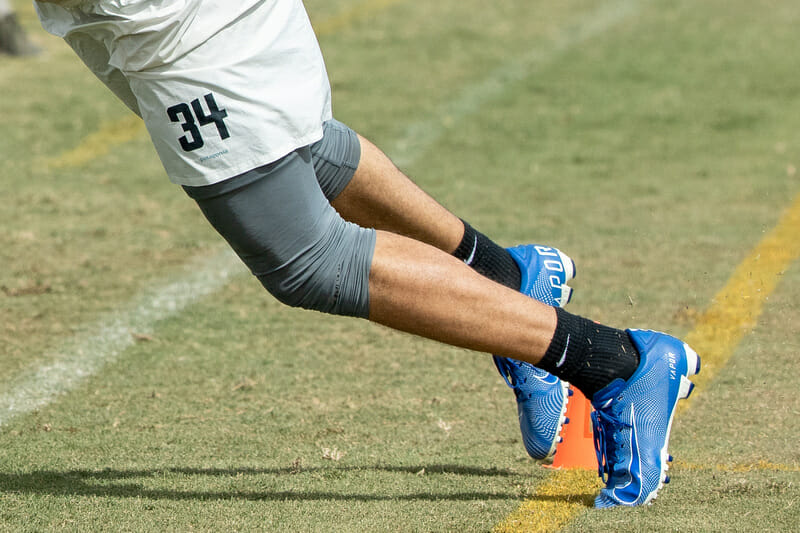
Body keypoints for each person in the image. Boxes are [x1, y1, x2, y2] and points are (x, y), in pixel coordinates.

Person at [34, 0, 700, 509]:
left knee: (305, 256)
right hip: (169, 18)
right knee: (293, 148)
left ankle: (615, 362)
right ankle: (508, 275)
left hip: (172, 20)